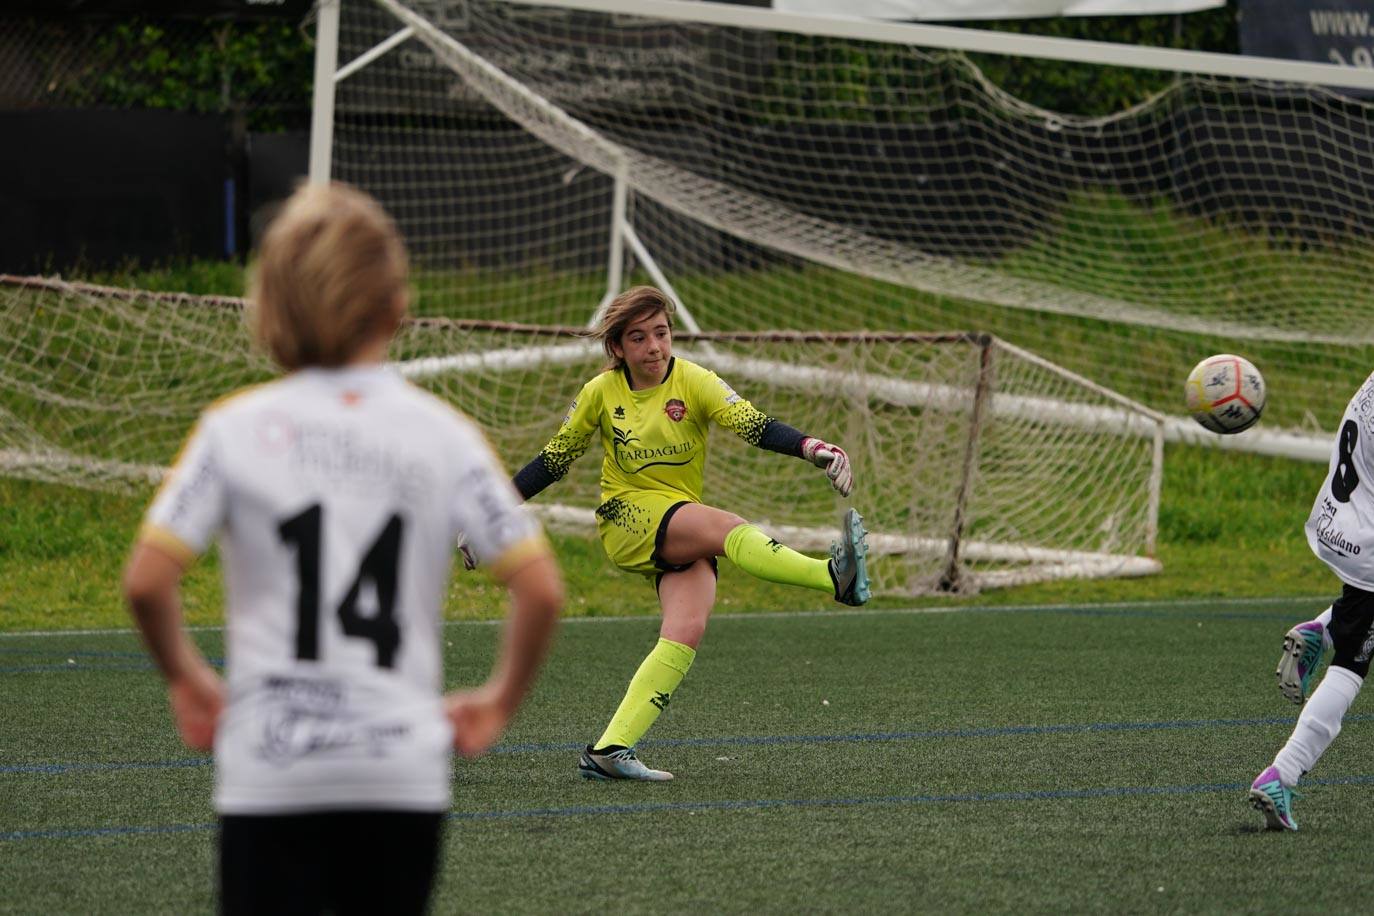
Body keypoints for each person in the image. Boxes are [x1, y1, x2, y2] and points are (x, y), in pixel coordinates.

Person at [122, 182, 564, 913]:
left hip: (270, 769)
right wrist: (498, 700)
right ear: (397, 306)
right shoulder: (442, 432)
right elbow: (541, 587)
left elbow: (146, 582)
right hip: (400, 773)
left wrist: (188, 680)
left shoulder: (234, 428)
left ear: (270, 307)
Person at [510, 285, 870, 781]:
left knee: (686, 630)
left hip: (678, 520)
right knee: (726, 528)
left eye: (661, 333)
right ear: (617, 348)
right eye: (638, 338)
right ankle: (834, 579)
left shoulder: (695, 381)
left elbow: (754, 424)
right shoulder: (600, 392)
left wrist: (812, 447)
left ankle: (610, 750)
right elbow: (552, 461)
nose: (654, 347)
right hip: (626, 516)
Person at [1250, 372, 1374, 831]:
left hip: (1343, 518)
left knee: (1361, 627)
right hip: (1367, 543)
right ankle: (1283, 772)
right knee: (1353, 665)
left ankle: (1322, 629)